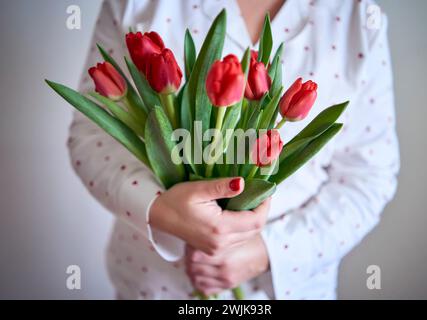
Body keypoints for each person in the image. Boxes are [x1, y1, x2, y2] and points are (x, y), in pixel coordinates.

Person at [69, 0, 399, 299]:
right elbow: (89, 137)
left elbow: (369, 177)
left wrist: (268, 252)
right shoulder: (136, 4)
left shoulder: (357, 19)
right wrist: (159, 210)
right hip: (153, 285)